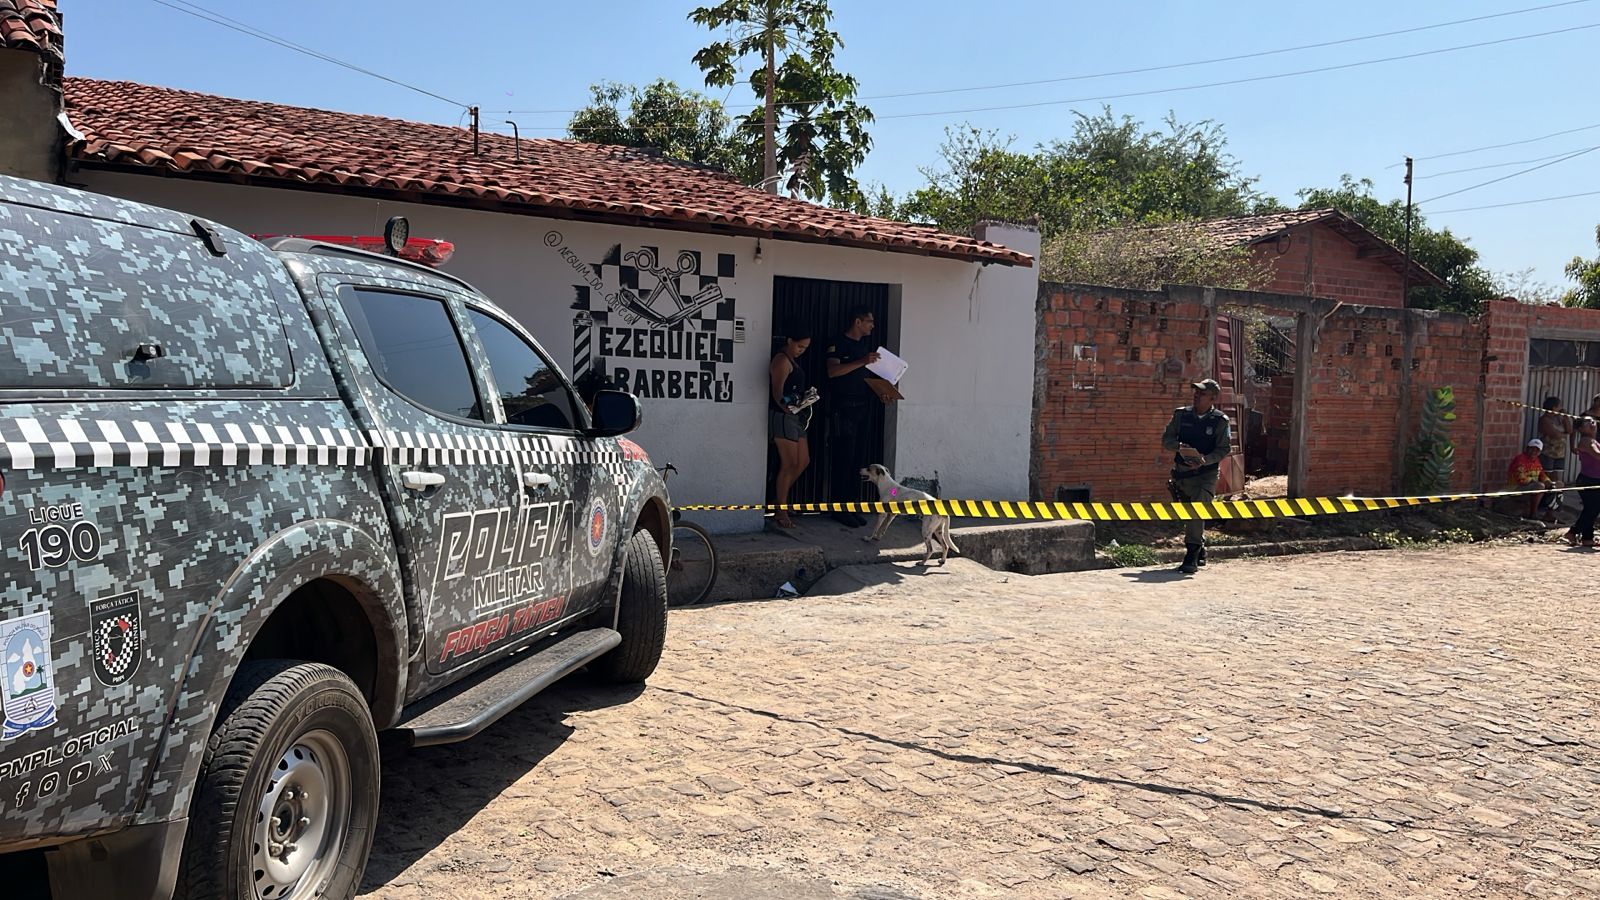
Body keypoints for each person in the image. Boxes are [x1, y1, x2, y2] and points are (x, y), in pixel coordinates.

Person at [1161, 378, 1232, 574]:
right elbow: (1166, 439)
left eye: (1202, 393)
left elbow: (1224, 449)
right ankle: (1200, 547)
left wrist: (1205, 460)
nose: (1197, 396)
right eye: (1196, 392)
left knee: (1197, 511)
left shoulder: (1220, 421)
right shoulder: (1181, 415)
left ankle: (1191, 555)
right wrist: (1179, 446)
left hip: (1206, 475)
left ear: (1213, 398)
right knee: (1188, 514)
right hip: (1183, 474)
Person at [825, 307, 881, 527]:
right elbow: (832, 371)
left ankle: (852, 506)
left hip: (862, 408)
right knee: (843, 458)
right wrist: (862, 361)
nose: (872, 326)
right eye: (869, 321)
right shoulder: (838, 342)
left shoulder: (864, 347)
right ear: (858, 322)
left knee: (858, 461)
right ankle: (839, 509)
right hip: (843, 409)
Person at [769, 331, 815, 530]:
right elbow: (777, 392)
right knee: (789, 464)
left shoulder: (792, 361)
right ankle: (780, 509)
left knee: (803, 461)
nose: (801, 351)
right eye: (799, 346)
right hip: (784, 416)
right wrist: (787, 407)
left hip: (797, 416)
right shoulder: (781, 360)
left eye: (805, 348)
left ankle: (779, 499)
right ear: (789, 340)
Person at [1567, 416, 1600, 547]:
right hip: (1588, 480)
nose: (1591, 423)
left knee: (1591, 509)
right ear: (1581, 429)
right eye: (1587, 422)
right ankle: (1573, 531)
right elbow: (1597, 455)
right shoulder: (1586, 442)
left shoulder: (1593, 440)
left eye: (1592, 421)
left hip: (1594, 479)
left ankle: (1587, 538)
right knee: (1593, 509)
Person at [1507, 438, 1555, 520]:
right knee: (1539, 486)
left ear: (1540, 452)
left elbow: (1542, 474)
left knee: (1558, 485)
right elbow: (1521, 479)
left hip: (1530, 487)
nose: (1534, 452)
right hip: (1515, 488)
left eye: (1537, 450)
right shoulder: (1520, 459)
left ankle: (1549, 515)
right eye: (1532, 449)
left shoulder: (1536, 461)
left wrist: (1548, 482)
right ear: (1527, 448)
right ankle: (1533, 514)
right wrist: (1535, 482)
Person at [1538, 396, 1572, 481]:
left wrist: (1565, 417)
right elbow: (1555, 434)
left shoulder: (1559, 418)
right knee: (1547, 475)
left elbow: (1569, 430)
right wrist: (1563, 435)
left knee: (1557, 475)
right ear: (1554, 407)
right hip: (1548, 452)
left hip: (1559, 453)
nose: (1561, 408)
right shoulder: (1545, 419)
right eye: (1559, 406)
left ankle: (1556, 488)